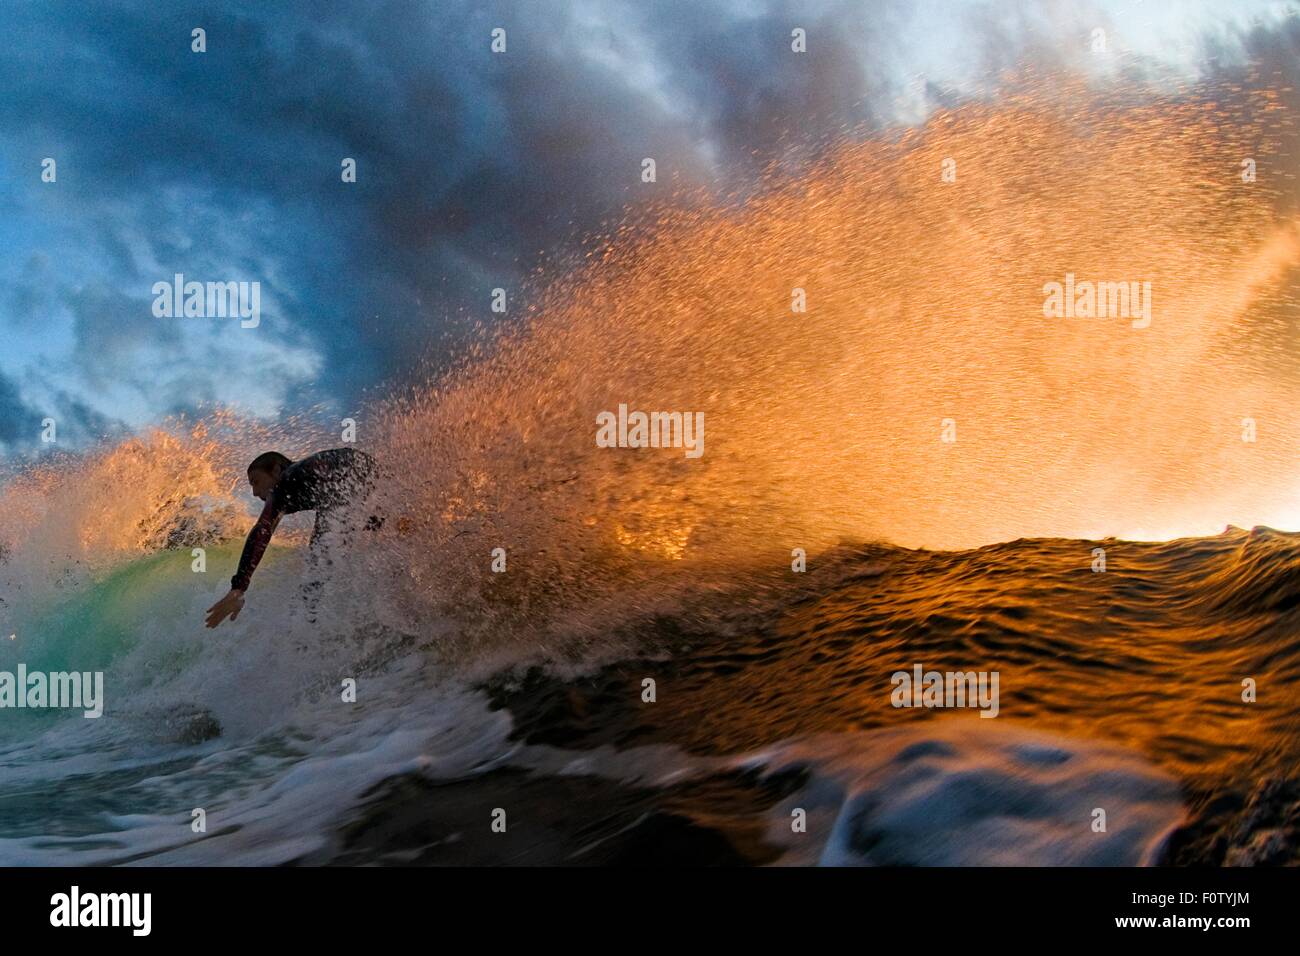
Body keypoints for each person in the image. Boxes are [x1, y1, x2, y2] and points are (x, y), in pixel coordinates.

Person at [204, 448, 382, 628]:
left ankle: (308, 634)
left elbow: (263, 529)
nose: (255, 492)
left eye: (256, 482)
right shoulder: (303, 477)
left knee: (316, 571)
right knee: (381, 526)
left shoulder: (286, 480)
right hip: (367, 475)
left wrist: (238, 587)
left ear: (275, 470)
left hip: (345, 482)